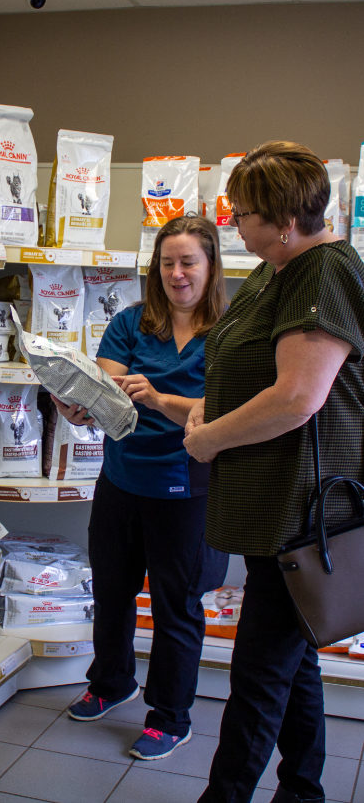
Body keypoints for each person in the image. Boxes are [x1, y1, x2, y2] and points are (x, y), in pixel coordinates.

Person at [184, 141, 364, 803]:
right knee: (294, 661)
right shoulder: (274, 269)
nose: (234, 224)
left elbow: (297, 396)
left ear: (285, 220)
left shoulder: (322, 273)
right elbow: (242, 356)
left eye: (244, 214)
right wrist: (208, 406)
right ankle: (302, 790)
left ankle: (224, 795)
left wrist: (207, 442)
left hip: (302, 511)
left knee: (259, 671)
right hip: (273, 504)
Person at [55, 214, 230, 760]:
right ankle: (112, 683)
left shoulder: (228, 334)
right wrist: (76, 405)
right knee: (111, 592)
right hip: (122, 481)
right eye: (167, 262)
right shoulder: (131, 324)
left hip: (187, 487)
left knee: (178, 605)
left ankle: (170, 716)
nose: (177, 273)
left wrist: (155, 398)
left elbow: (218, 412)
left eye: (189, 262)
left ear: (210, 266)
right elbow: (104, 394)